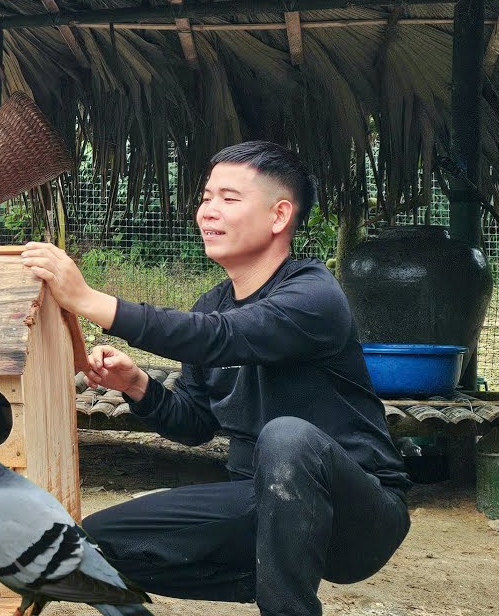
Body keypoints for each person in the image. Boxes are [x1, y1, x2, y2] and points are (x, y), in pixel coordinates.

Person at [21, 141, 411, 616]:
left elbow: (220, 338)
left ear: (278, 215)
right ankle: (259, 576)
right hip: (258, 504)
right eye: (206, 198)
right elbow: (195, 424)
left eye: (228, 198)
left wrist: (89, 300)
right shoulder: (211, 305)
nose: (208, 211)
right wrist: (138, 385)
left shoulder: (314, 295)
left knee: (287, 437)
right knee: (91, 546)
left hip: (359, 513)